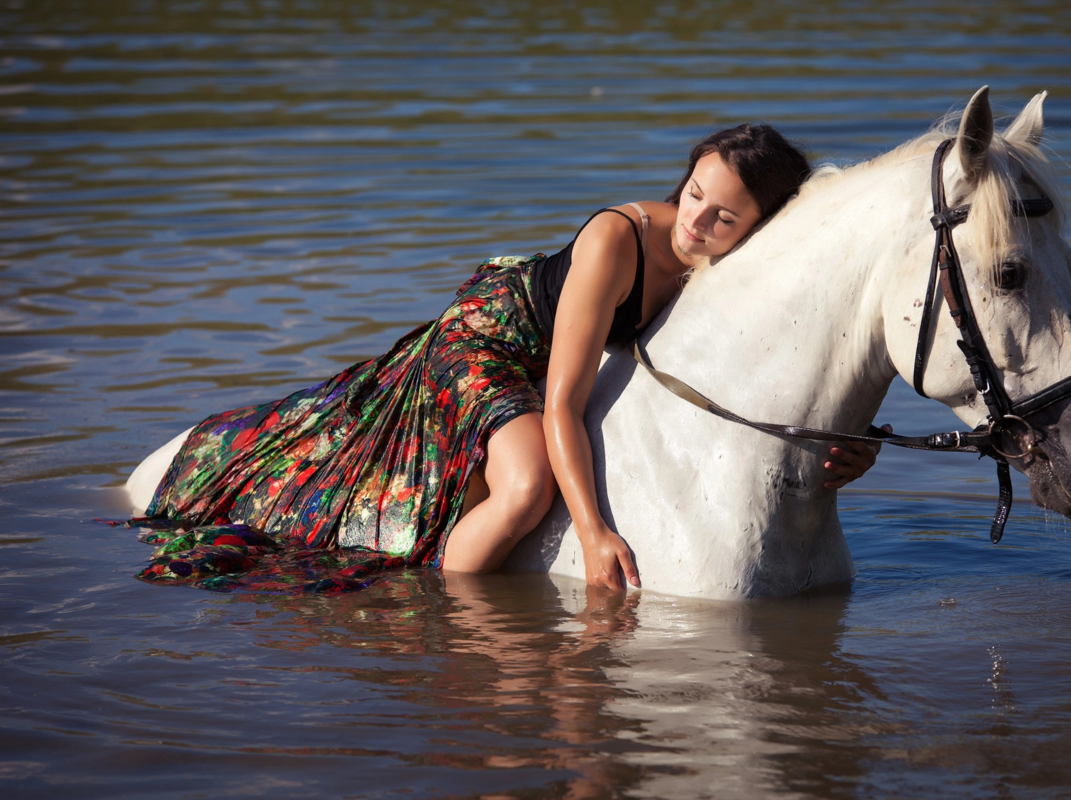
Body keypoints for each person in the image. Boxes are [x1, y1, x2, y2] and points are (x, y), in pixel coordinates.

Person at [138, 124, 884, 592]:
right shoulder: (616, 239)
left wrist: (855, 449)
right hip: (488, 342)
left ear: (755, 227)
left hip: (550, 356)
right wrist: (593, 533)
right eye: (693, 194)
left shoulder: (728, 269)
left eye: (724, 217)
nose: (697, 221)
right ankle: (437, 612)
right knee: (527, 489)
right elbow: (560, 402)